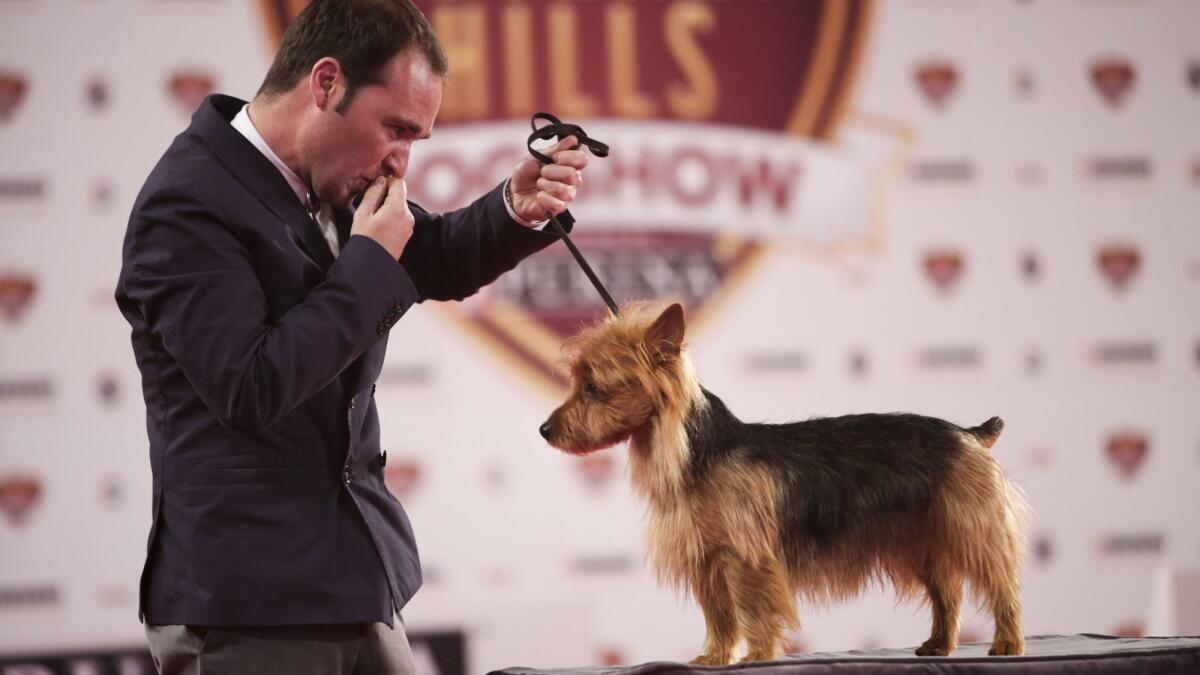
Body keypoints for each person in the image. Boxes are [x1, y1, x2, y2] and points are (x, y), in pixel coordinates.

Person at [114, 1, 589, 672]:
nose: (400, 164)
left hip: (359, 583)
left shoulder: (332, 175)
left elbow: (434, 254)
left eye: (416, 140)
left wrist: (515, 204)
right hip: (246, 608)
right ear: (326, 84)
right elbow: (250, 385)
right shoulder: (185, 203)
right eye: (395, 129)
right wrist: (367, 260)